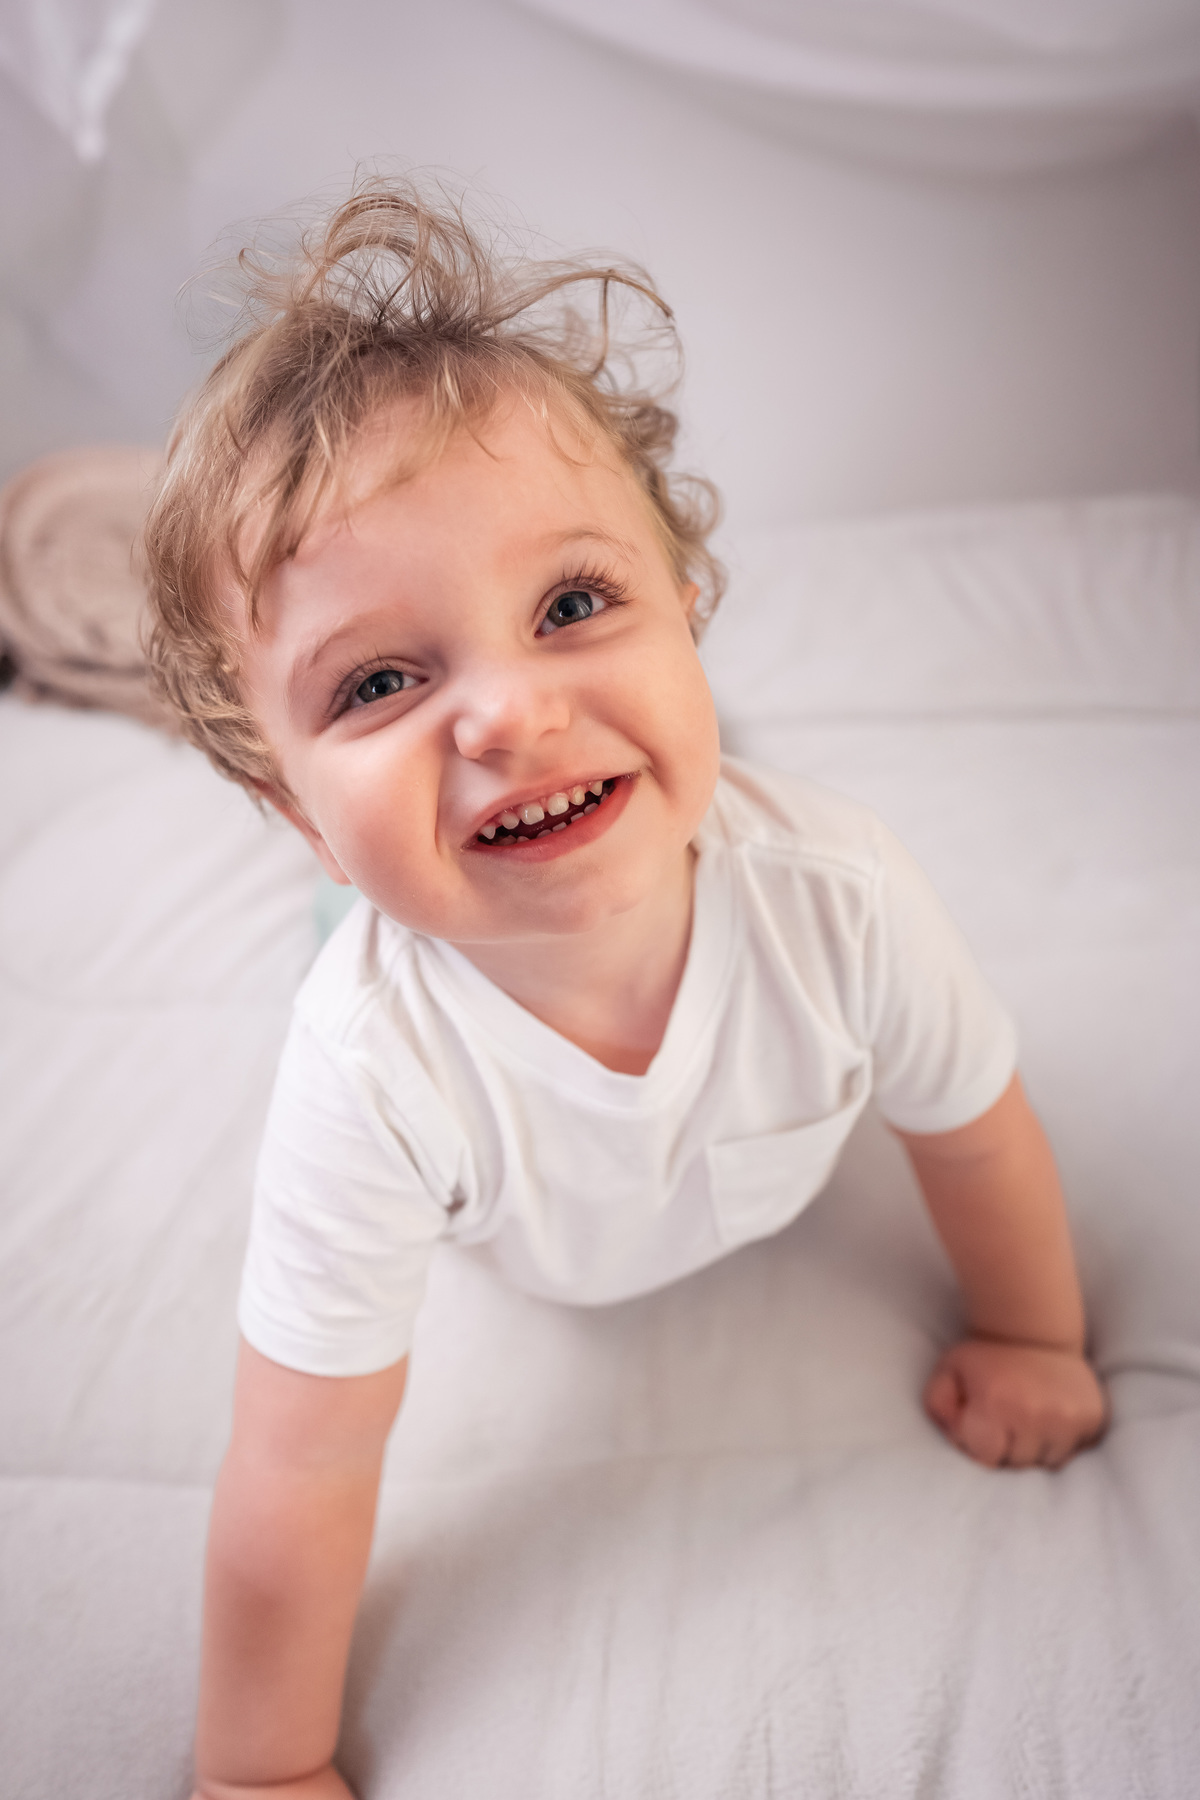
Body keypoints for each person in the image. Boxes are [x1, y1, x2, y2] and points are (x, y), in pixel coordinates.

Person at [143, 178, 1108, 1800]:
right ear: (291, 806)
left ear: (689, 604)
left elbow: (977, 1129)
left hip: (710, 838)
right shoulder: (371, 1067)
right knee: (372, 910)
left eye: (575, 605)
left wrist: (1032, 1335)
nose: (509, 713)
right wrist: (259, 1768)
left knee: (689, 800)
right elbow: (302, 1459)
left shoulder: (844, 901)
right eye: (379, 680)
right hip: (392, 925)